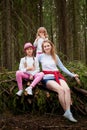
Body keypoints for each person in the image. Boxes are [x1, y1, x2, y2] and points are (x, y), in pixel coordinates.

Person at [38, 40, 79, 122]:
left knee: (67, 89)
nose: (46, 47)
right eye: (45, 46)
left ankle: (68, 112)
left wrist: (72, 75)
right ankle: (68, 113)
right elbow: (34, 65)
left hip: (57, 76)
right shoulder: (40, 56)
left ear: (51, 46)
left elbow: (62, 67)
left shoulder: (55, 56)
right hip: (47, 77)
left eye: (48, 46)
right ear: (43, 48)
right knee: (60, 90)